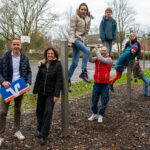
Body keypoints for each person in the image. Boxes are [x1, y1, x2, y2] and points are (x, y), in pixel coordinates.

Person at [0, 38, 32, 146]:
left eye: (18, 44)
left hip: (19, 86)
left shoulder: (25, 58)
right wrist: (2, 81)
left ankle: (17, 131)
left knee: (17, 110)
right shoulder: (5, 56)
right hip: (7, 87)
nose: (16, 46)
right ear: (11, 45)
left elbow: (28, 72)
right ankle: (1, 135)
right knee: (2, 112)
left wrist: (28, 82)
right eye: (14, 44)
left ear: (21, 45)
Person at [33, 47, 62, 145]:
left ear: (54, 55)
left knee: (48, 113)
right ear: (46, 55)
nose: (50, 55)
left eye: (52, 53)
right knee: (39, 112)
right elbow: (38, 78)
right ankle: (40, 129)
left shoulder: (58, 65)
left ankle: (44, 135)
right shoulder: (42, 64)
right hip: (41, 92)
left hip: (51, 94)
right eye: (48, 53)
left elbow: (59, 81)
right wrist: (35, 91)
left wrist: (56, 94)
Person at [68, 2, 94, 86]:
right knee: (87, 51)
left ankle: (66, 80)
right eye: (82, 9)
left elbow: (86, 33)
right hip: (75, 39)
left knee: (74, 64)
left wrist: (85, 43)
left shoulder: (88, 19)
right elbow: (72, 29)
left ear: (87, 11)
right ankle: (84, 71)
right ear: (79, 10)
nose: (83, 11)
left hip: (81, 40)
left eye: (85, 10)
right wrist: (71, 41)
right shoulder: (74, 16)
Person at [88, 46, 112, 123]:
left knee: (104, 100)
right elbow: (90, 59)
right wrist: (90, 50)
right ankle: (94, 114)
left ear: (107, 51)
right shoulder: (97, 58)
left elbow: (102, 59)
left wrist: (97, 50)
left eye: (104, 50)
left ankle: (101, 115)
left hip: (105, 84)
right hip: (96, 83)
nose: (103, 51)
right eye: (102, 50)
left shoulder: (109, 59)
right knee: (94, 99)